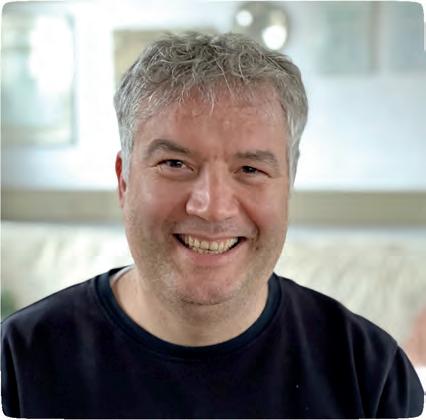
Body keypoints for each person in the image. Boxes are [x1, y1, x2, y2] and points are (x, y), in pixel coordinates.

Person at [1, 32, 424, 419]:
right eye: (175, 163)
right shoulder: (18, 362)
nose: (212, 208)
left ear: (288, 187)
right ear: (124, 181)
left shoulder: (371, 374)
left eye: (250, 169)